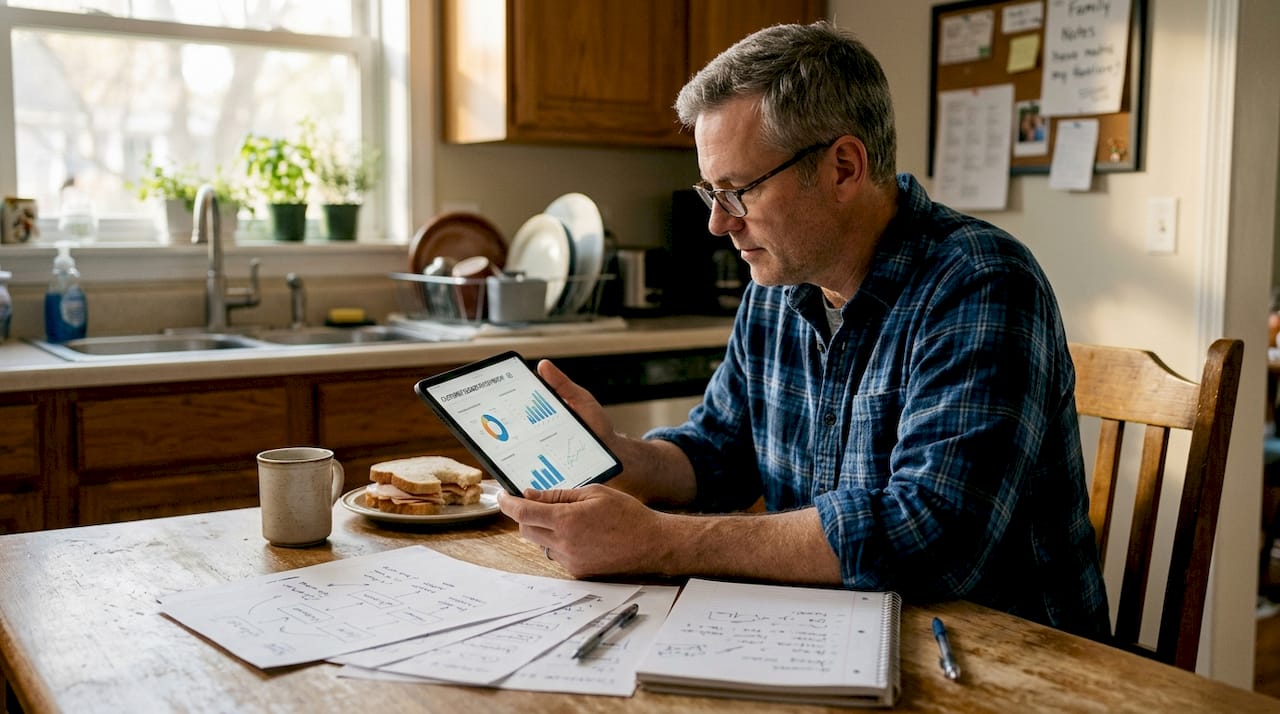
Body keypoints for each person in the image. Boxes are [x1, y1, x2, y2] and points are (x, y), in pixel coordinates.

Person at [498, 21, 1109, 640]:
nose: (717, 223)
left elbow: (931, 538)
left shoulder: (982, 281)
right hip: (831, 633)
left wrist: (655, 541)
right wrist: (611, 456)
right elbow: (718, 452)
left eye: (737, 190)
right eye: (711, 191)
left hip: (1004, 658)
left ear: (843, 167)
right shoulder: (779, 283)